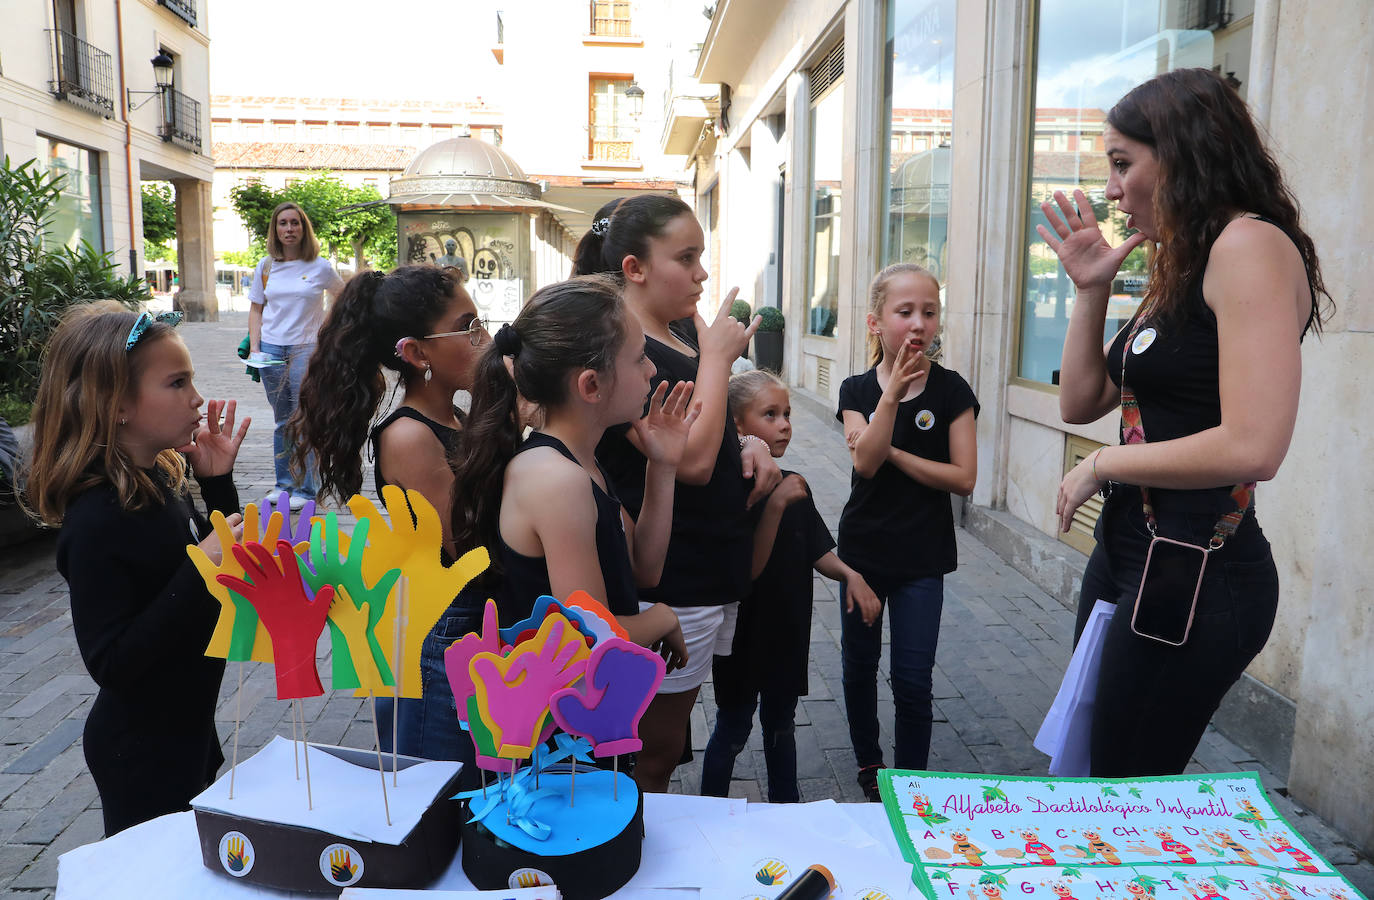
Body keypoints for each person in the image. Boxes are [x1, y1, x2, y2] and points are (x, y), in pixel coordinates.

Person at [1039, 68, 1328, 777]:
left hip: (1201, 569)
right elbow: (1081, 402)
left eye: (1121, 163)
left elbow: (1255, 445)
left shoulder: (1247, 246)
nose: (1111, 190)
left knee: (1122, 792)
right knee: (1090, 774)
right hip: (1133, 551)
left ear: (1181, 153)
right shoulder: (1185, 259)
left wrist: (1102, 464)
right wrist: (1093, 290)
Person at [579, 195, 782, 792]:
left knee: (668, 737)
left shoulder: (676, 336)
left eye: (701, 256)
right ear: (634, 268)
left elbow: (708, 431)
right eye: (686, 257)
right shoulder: (630, 349)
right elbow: (688, 459)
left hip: (705, 569)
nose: (701, 273)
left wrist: (747, 443)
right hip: (671, 577)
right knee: (653, 745)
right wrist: (718, 359)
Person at [24, 302, 251, 836]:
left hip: (187, 731)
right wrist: (201, 569)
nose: (196, 398)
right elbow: (112, 661)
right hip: (142, 754)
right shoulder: (98, 516)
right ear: (117, 404)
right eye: (176, 383)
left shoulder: (161, 484)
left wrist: (217, 483)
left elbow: (219, 564)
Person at [289, 264, 489, 762]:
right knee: (437, 797)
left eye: (479, 322)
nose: (482, 338)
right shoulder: (410, 435)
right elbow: (466, 544)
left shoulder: (456, 416)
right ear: (417, 353)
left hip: (466, 624)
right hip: (440, 635)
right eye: (467, 327)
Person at [449, 274, 692, 679]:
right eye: (638, 357)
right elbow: (587, 638)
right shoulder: (557, 481)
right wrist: (663, 617)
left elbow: (642, 570)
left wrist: (662, 466)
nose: (651, 370)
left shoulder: (579, 462)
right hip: (558, 731)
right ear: (591, 384)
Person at [701, 371, 880, 802]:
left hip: (786, 634)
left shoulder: (796, 481)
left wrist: (851, 575)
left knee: (782, 724)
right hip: (743, 638)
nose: (784, 424)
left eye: (786, 414)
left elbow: (815, 550)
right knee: (733, 727)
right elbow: (748, 572)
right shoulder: (730, 489)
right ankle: (706, 808)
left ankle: (788, 809)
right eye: (770, 415)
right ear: (738, 427)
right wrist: (776, 502)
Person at [838, 263, 978, 800]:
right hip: (862, 556)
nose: (918, 324)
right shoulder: (855, 388)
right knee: (858, 669)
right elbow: (865, 465)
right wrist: (891, 395)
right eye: (904, 312)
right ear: (876, 323)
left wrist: (892, 447)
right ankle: (871, 766)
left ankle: (911, 780)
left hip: (923, 557)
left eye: (929, 311)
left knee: (914, 679)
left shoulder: (951, 392)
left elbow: (963, 479)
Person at [247, 201, 345, 509]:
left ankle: (307, 488)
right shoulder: (265, 267)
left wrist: (324, 330)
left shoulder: (320, 266)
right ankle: (283, 485)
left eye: (295, 223)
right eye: (283, 223)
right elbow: (256, 308)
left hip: (306, 349)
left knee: (305, 417)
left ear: (304, 228)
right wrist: (255, 347)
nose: (289, 229)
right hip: (272, 349)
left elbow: (342, 298)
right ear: (275, 230)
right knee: (282, 421)